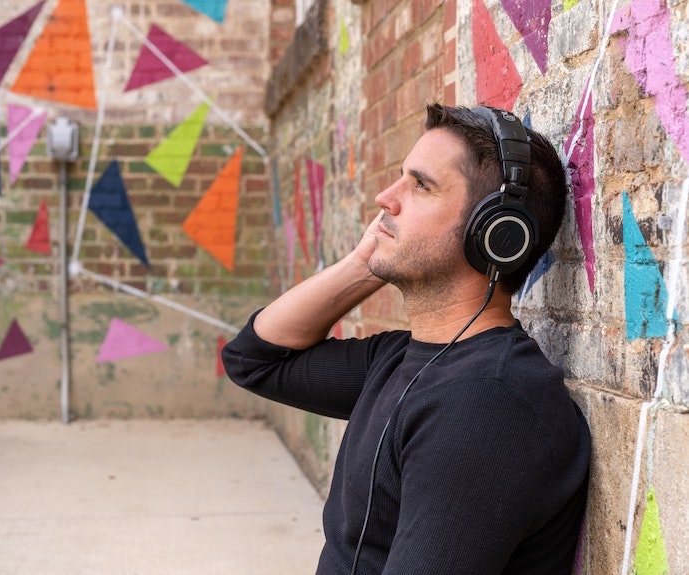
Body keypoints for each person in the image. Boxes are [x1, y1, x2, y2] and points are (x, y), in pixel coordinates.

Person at [221, 104, 591, 574]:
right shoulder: (401, 358)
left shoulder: (488, 405)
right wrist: (365, 262)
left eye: (421, 185)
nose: (384, 198)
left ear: (496, 234)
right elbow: (254, 361)